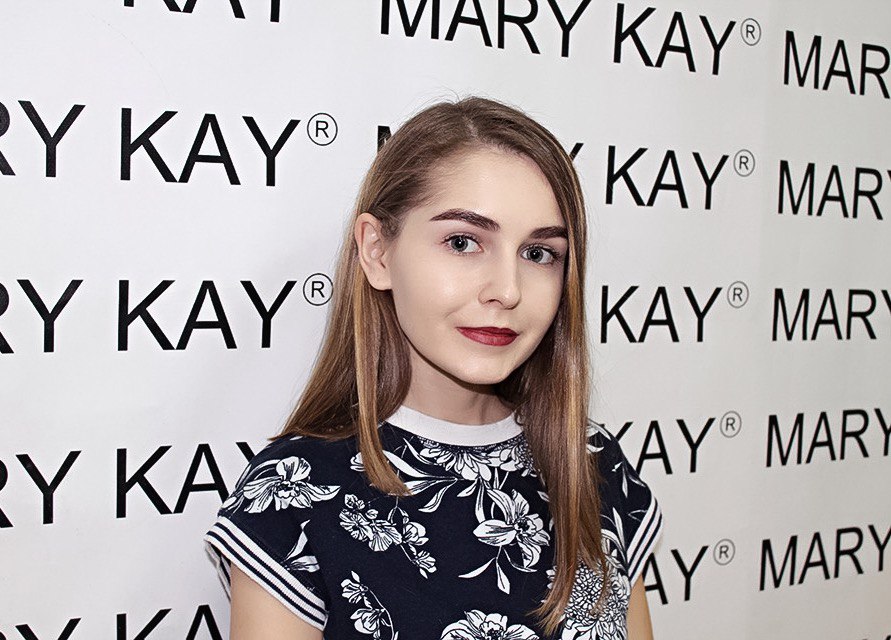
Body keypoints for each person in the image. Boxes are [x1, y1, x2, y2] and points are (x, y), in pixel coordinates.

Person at [204, 96, 663, 640]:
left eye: (539, 253)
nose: (507, 290)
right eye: (463, 243)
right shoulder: (293, 495)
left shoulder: (592, 463)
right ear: (377, 252)